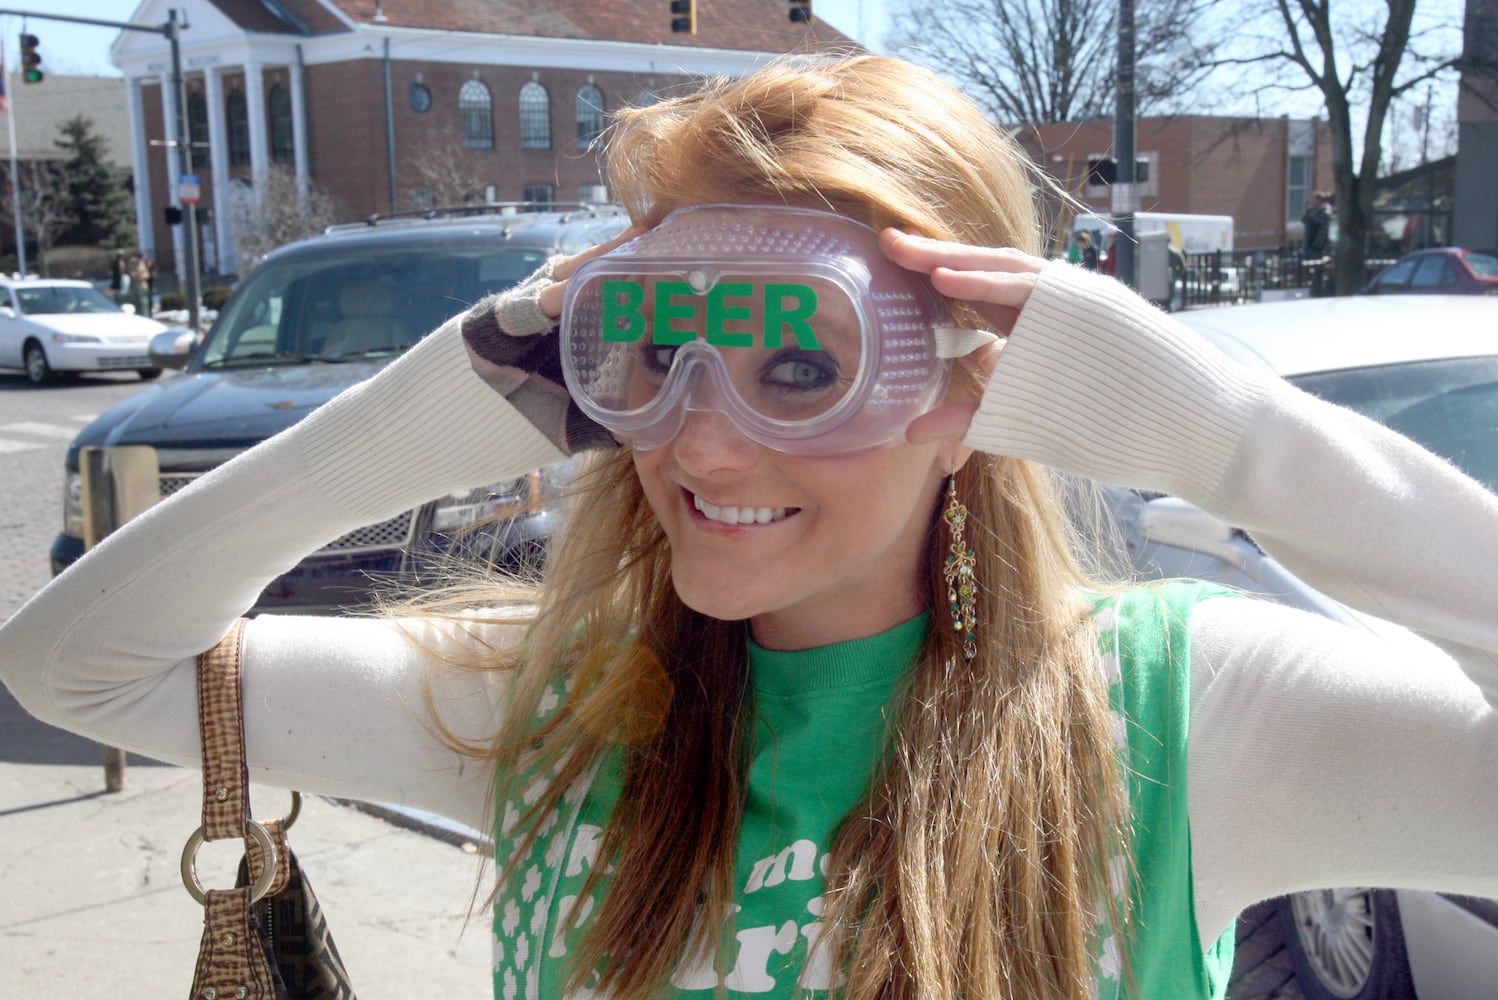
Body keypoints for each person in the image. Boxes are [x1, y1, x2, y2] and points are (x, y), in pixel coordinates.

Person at [2, 55, 1496, 1000]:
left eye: (802, 361)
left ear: (978, 389)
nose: (700, 435)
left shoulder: (1184, 715)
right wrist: (448, 404)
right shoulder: (550, 709)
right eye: (649, 351)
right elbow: (80, 672)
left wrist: (1224, 434)